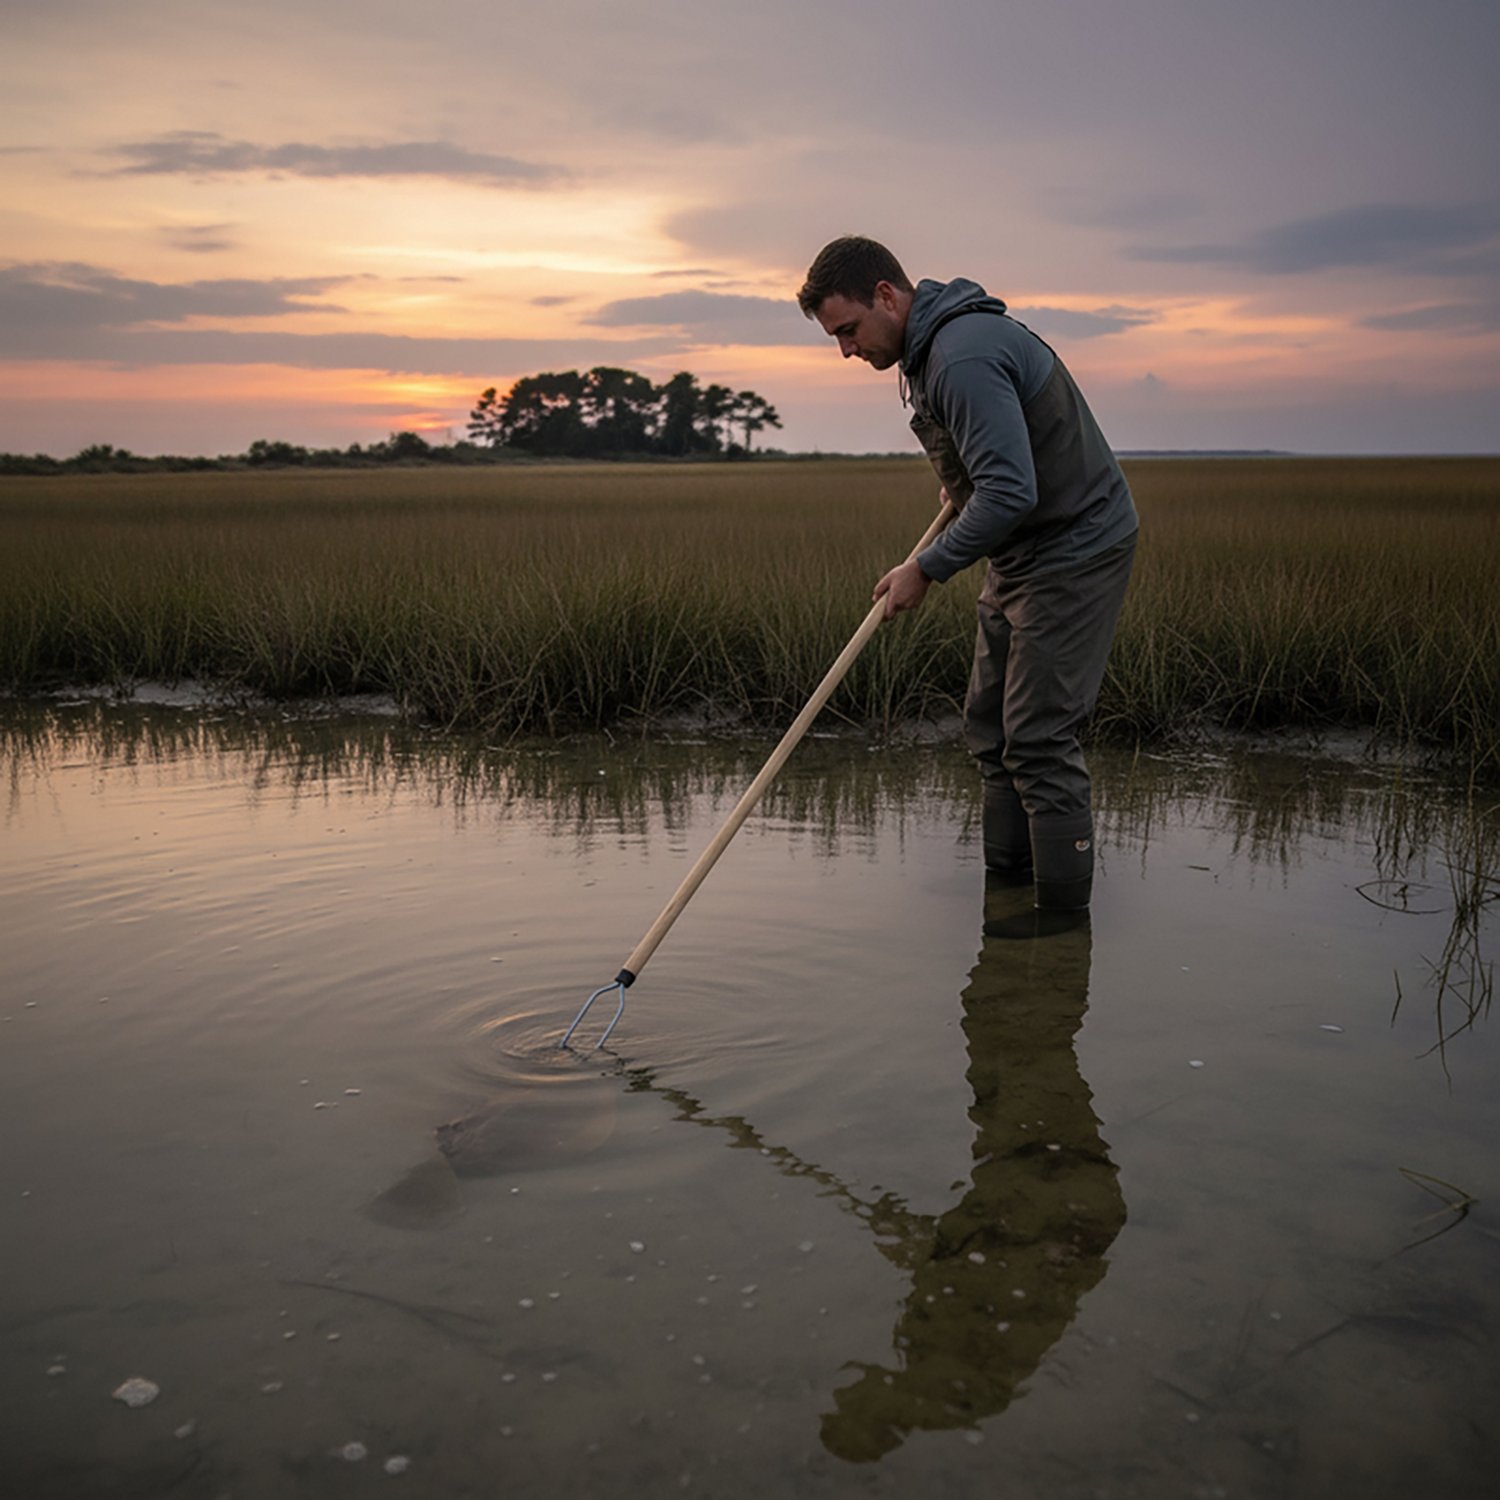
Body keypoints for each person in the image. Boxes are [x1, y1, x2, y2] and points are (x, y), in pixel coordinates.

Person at [798, 236, 1138, 911]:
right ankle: (1007, 894)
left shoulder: (962, 355)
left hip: (1074, 547)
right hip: (1020, 552)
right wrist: (959, 492)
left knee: (1038, 737)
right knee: (990, 727)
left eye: (848, 329)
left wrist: (925, 568)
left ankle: (1058, 929)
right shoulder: (925, 357)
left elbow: (1011, 492)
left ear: (887, 297)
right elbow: (989, 478)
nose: (845, 350)